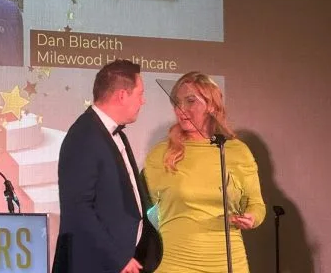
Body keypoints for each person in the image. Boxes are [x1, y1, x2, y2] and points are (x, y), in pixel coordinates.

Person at [143, 71, 266, 272]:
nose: (181, 109)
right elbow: (138, 208)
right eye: (177, 103)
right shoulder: (162, 154)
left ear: (211, 105)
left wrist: (251, 217)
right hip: (176, 263)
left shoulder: (236, 151)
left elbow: (256, 204)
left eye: (190, 101)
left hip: (228, 263)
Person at [53, 59, 162, 273]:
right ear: (122, 95)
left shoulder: (113, 133)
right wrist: (118, 258)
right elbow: (78, 208)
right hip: (98, 264)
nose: (143, 101)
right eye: (140, 94)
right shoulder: (84, 135)